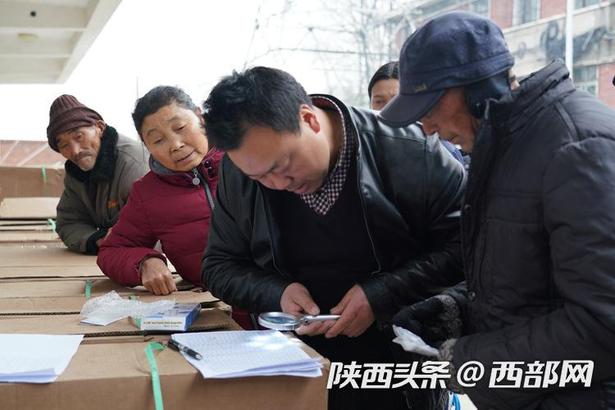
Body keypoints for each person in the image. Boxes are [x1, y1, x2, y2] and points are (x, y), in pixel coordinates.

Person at [380, 11, 615, 409]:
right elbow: (528, 281)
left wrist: (469, 360)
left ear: (473, 89)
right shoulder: (505, 147)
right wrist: (456, 308)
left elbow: (602, 323)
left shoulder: (575, 146)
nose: (427, 129)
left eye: (428, 109)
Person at [201, 66, 466, 409]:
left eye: (283, 165)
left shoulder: (411, 150)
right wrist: (277, 293)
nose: (277, 184)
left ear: (309, 119)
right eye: (260, 177)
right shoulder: (240, 171)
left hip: (399, 360)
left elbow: (467, 247)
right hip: (299, 362)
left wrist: (382, 295)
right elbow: (220, 265)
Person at [97, 86, 223, 296]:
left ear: (199, 117)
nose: (175, 145)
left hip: (276, 293)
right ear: (146, 145)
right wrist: (145, 262)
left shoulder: (245, 161)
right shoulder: (147, 194)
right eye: (158, 140)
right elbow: (111, 251)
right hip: (213, 302)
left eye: (180, 127)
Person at [47, 95, 148, 254]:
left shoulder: (133, 163)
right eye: (64, 145)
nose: (75, 151)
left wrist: (116, 239)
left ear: (100, 128)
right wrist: (95, 239)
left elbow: (149, 228)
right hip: (117, 254)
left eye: (79, 137)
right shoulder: (76, 172)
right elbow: (68, 222)